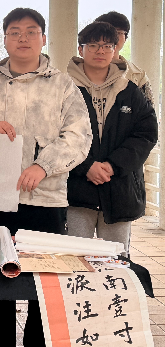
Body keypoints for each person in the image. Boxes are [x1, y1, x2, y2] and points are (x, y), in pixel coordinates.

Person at [0, 8, 92, 346]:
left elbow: (79, 136)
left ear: (43, 38)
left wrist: (43, 165)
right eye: (15, 32)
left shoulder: (63, 85)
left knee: (44, 283)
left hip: (46, 200)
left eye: (31, 31)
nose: (23, 38)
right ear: (5, 39)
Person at [67, 21, 158, 256]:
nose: (100, 51)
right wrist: (86, 166)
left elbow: (146, 134)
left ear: (115, 49)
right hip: (76, 190)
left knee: (117, 263)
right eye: (93, 45)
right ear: (80, 49)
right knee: (73, 261)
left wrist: (113, 165)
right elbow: (54, 134)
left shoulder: (131, 91)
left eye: (107, 46)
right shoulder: (64, 88)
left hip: (119, 189)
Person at [94, 11, 154, 105]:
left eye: (118, 32)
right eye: (107, 33)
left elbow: (150, 109)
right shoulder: (80, 72)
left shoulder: (138, 76)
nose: (113, 37)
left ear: (125, 37)